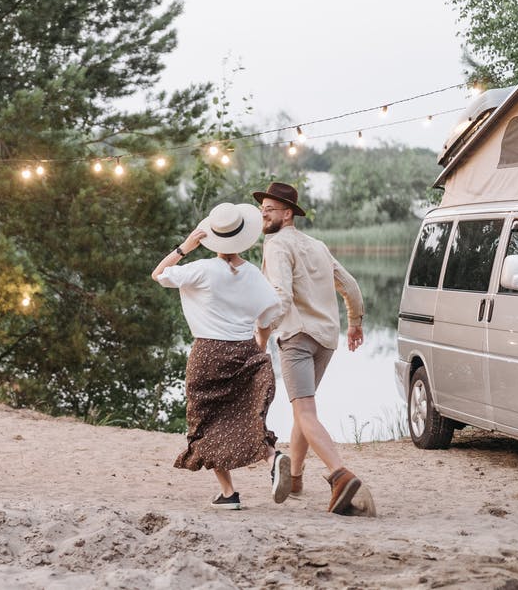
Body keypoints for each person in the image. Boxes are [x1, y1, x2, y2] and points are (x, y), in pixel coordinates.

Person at [152, 202, 291, 511]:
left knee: (205, 423)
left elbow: (158, 274)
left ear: (212, 236)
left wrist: (185, 247)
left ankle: (228, 493)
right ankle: (272, 458)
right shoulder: (253, 274)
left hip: (208, 354)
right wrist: (261, 344)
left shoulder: (201, 269)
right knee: (246, 417)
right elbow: (270, 313)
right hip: (244, 351)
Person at [253, 181, 367, 515]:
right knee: (302, 410)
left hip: (297, 338)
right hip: (326, 339)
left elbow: (281, 297)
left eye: (270, 210)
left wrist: (262, 336)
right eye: (262, 210)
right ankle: (298, 478)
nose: (264, 215)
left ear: (287, 214)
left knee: (305, 412)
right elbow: (351, 285)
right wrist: (355, 322)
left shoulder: (275, 245)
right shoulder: (317, 245)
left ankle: (339, 474)